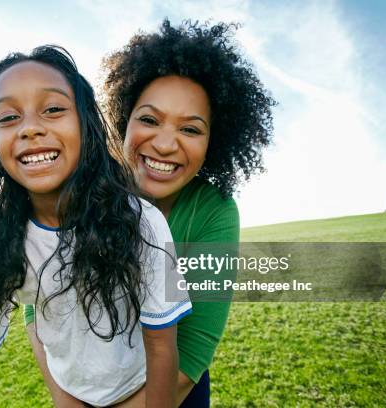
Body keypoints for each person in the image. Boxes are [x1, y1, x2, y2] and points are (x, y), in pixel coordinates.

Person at [26, 19, 275, 407]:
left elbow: (191, 350)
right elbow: (36, 305)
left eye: (190, 130)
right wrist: (66, 402)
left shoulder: (214, 212)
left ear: (214, 141)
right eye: (148, 119)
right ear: (122, 120)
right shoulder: (77, 190)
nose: (164, 144)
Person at [0, 45, 192, 408]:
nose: (31, 128)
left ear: (85, 124)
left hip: (138, 388)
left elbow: (162, 345)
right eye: (7, 117)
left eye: (53, 109)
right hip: (70, 392)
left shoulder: (143, 221)